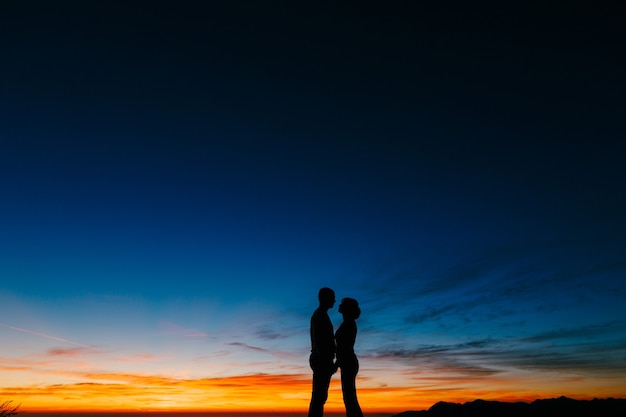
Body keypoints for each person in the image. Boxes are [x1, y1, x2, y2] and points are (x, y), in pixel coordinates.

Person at [308, 287, 336, 417]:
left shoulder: (320, 315)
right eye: (332, 297)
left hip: (321, 359)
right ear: (326, 298)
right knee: (319, 396)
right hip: (322, 360)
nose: (334, 301)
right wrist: (327, 361)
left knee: (320, 396)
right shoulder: (320, 315)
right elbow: (320, 341)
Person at [335, 297, 363, 417]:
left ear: (347, 308)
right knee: (349, 397)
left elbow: (345, 347)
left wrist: (336, 363)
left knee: (349, 398)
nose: (339, 305)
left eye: (342, 304)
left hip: (348, 362)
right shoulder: (347, 323)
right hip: (347, 361)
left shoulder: (349, 324)